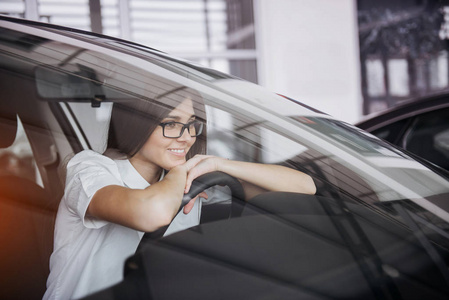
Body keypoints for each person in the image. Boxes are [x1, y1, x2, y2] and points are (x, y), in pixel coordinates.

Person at [43, 87, 316, 300]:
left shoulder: (185, 179)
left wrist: (222, 165)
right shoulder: (89, 167)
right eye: (171, 124)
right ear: (134, 123)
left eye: (192, 125)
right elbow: (151, 212)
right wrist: (181, 173)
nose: (186, 137)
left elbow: (305, 187)